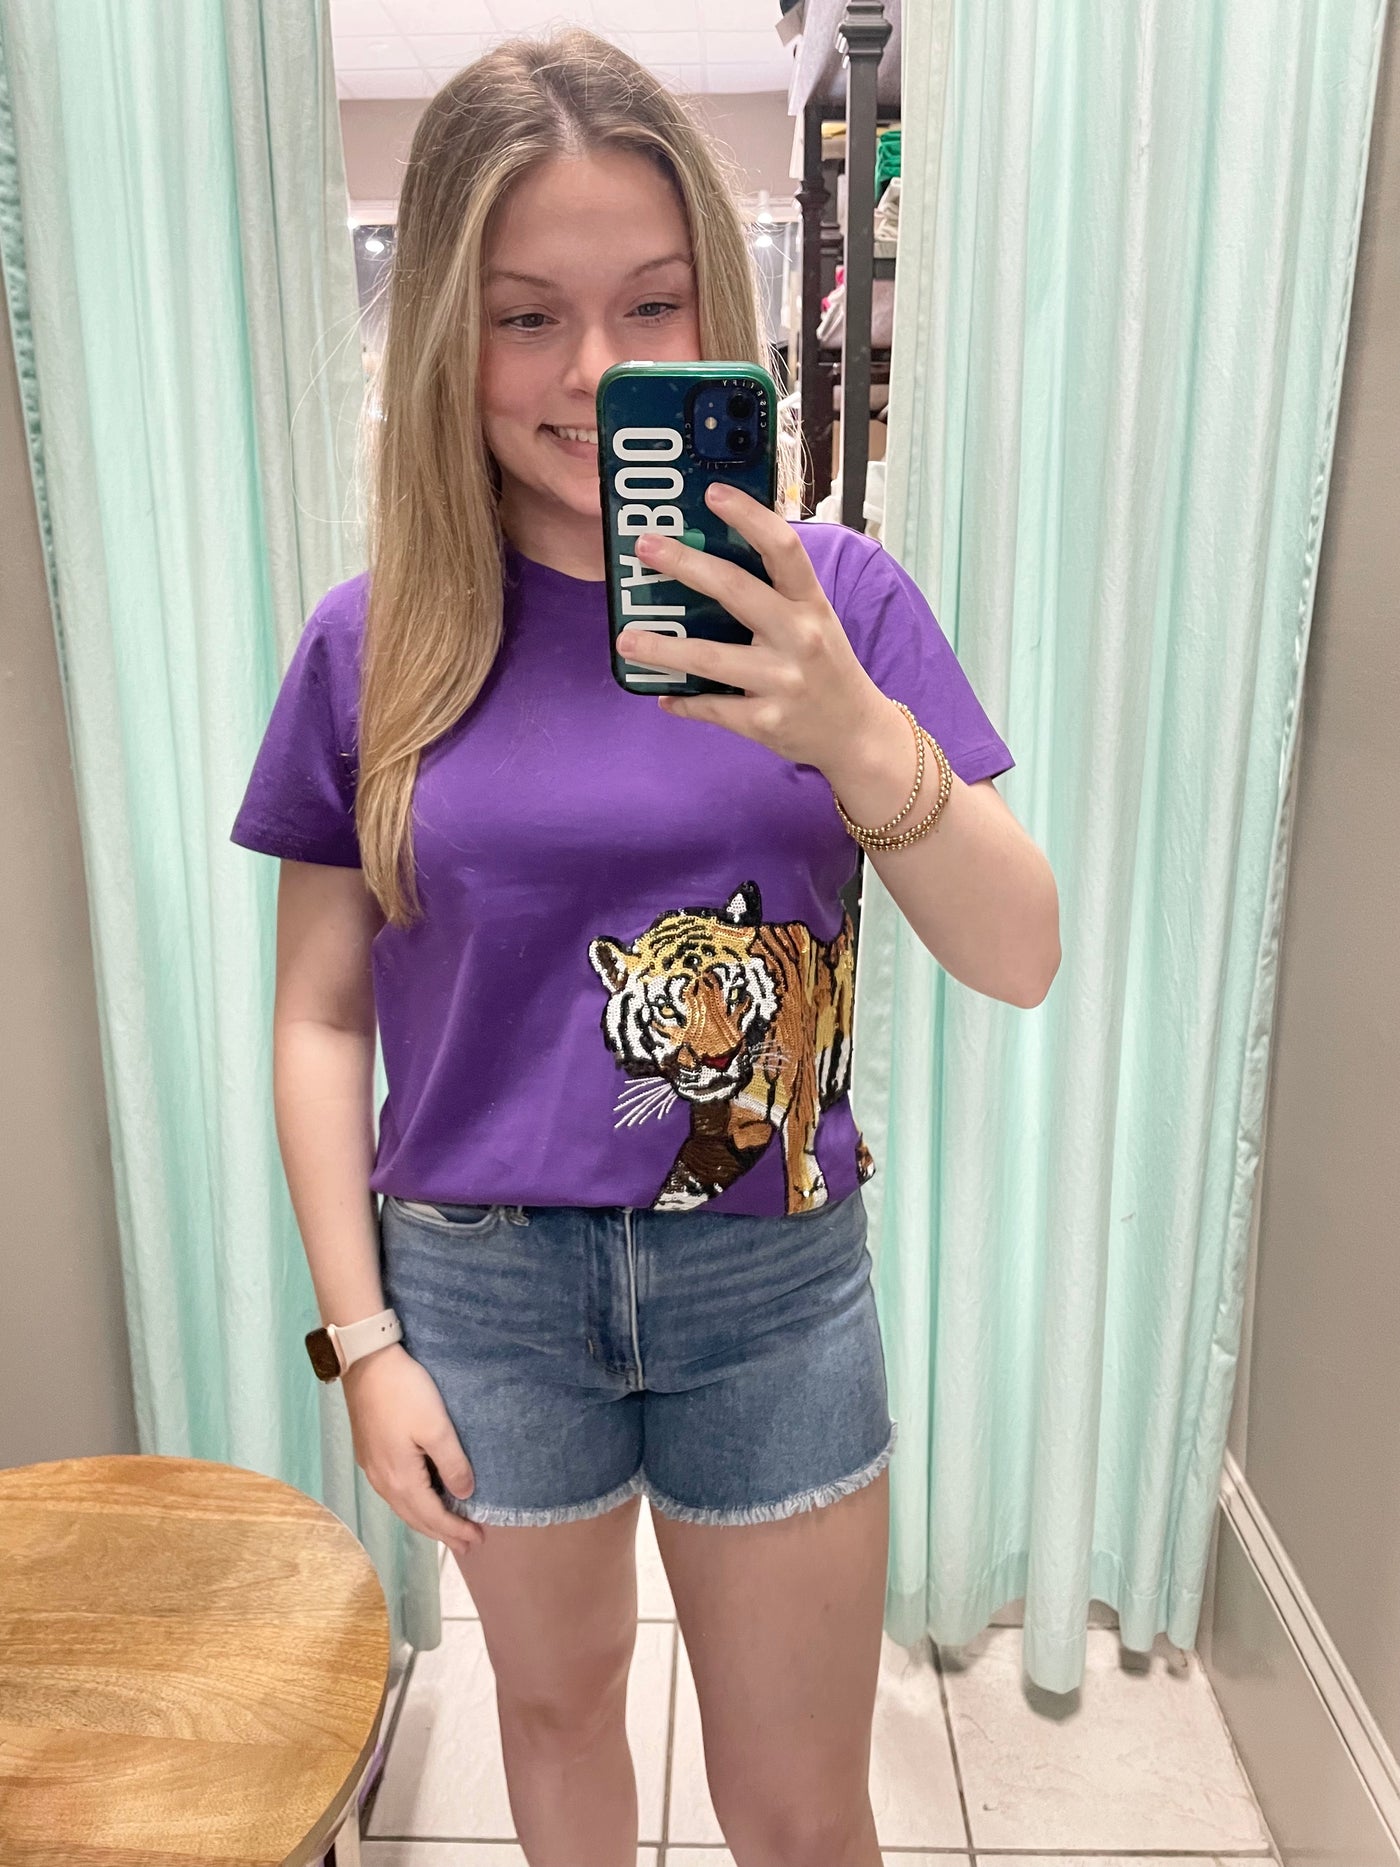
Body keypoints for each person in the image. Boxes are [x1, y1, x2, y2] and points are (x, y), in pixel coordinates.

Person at [231, 28, 1057, 1867]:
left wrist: (854, 734)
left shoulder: (839, 611)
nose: (594, 371)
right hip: (477, 1294)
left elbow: (1022, 956)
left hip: (771, 1284)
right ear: (443, 336)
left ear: (716, 317)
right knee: (553, 1720)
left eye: (650, 305)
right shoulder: (372, 646)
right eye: (526, 316)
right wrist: (363, 1345)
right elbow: (319, 1019)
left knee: (797, 1803)